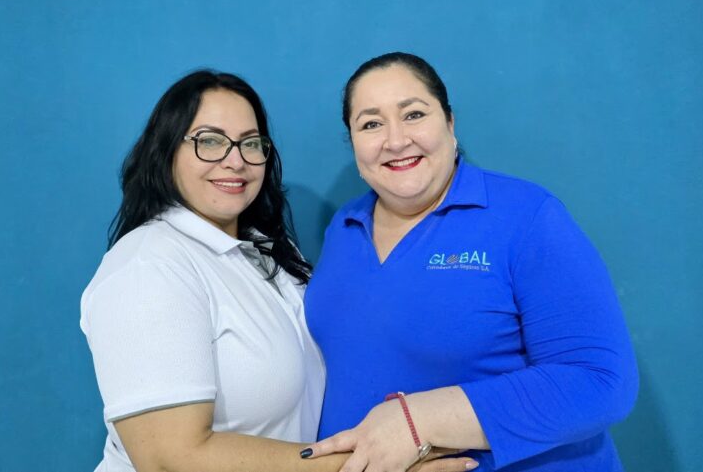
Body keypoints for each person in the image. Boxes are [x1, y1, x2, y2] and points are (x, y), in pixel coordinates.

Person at [80, 70, 477, 472]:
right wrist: (373, 467)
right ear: (165, 151)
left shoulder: (267, 253)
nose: (235, 161)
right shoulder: (148, 267)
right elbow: (171, 459)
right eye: (210, 141)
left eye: (250, 143)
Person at [302, 53, 639, 472]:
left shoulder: (526, 216)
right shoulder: (344, 226)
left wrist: (420, 422)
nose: (395, 140)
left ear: (449, 122)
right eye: (371, 124)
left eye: (413, 114)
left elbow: (600, 381)